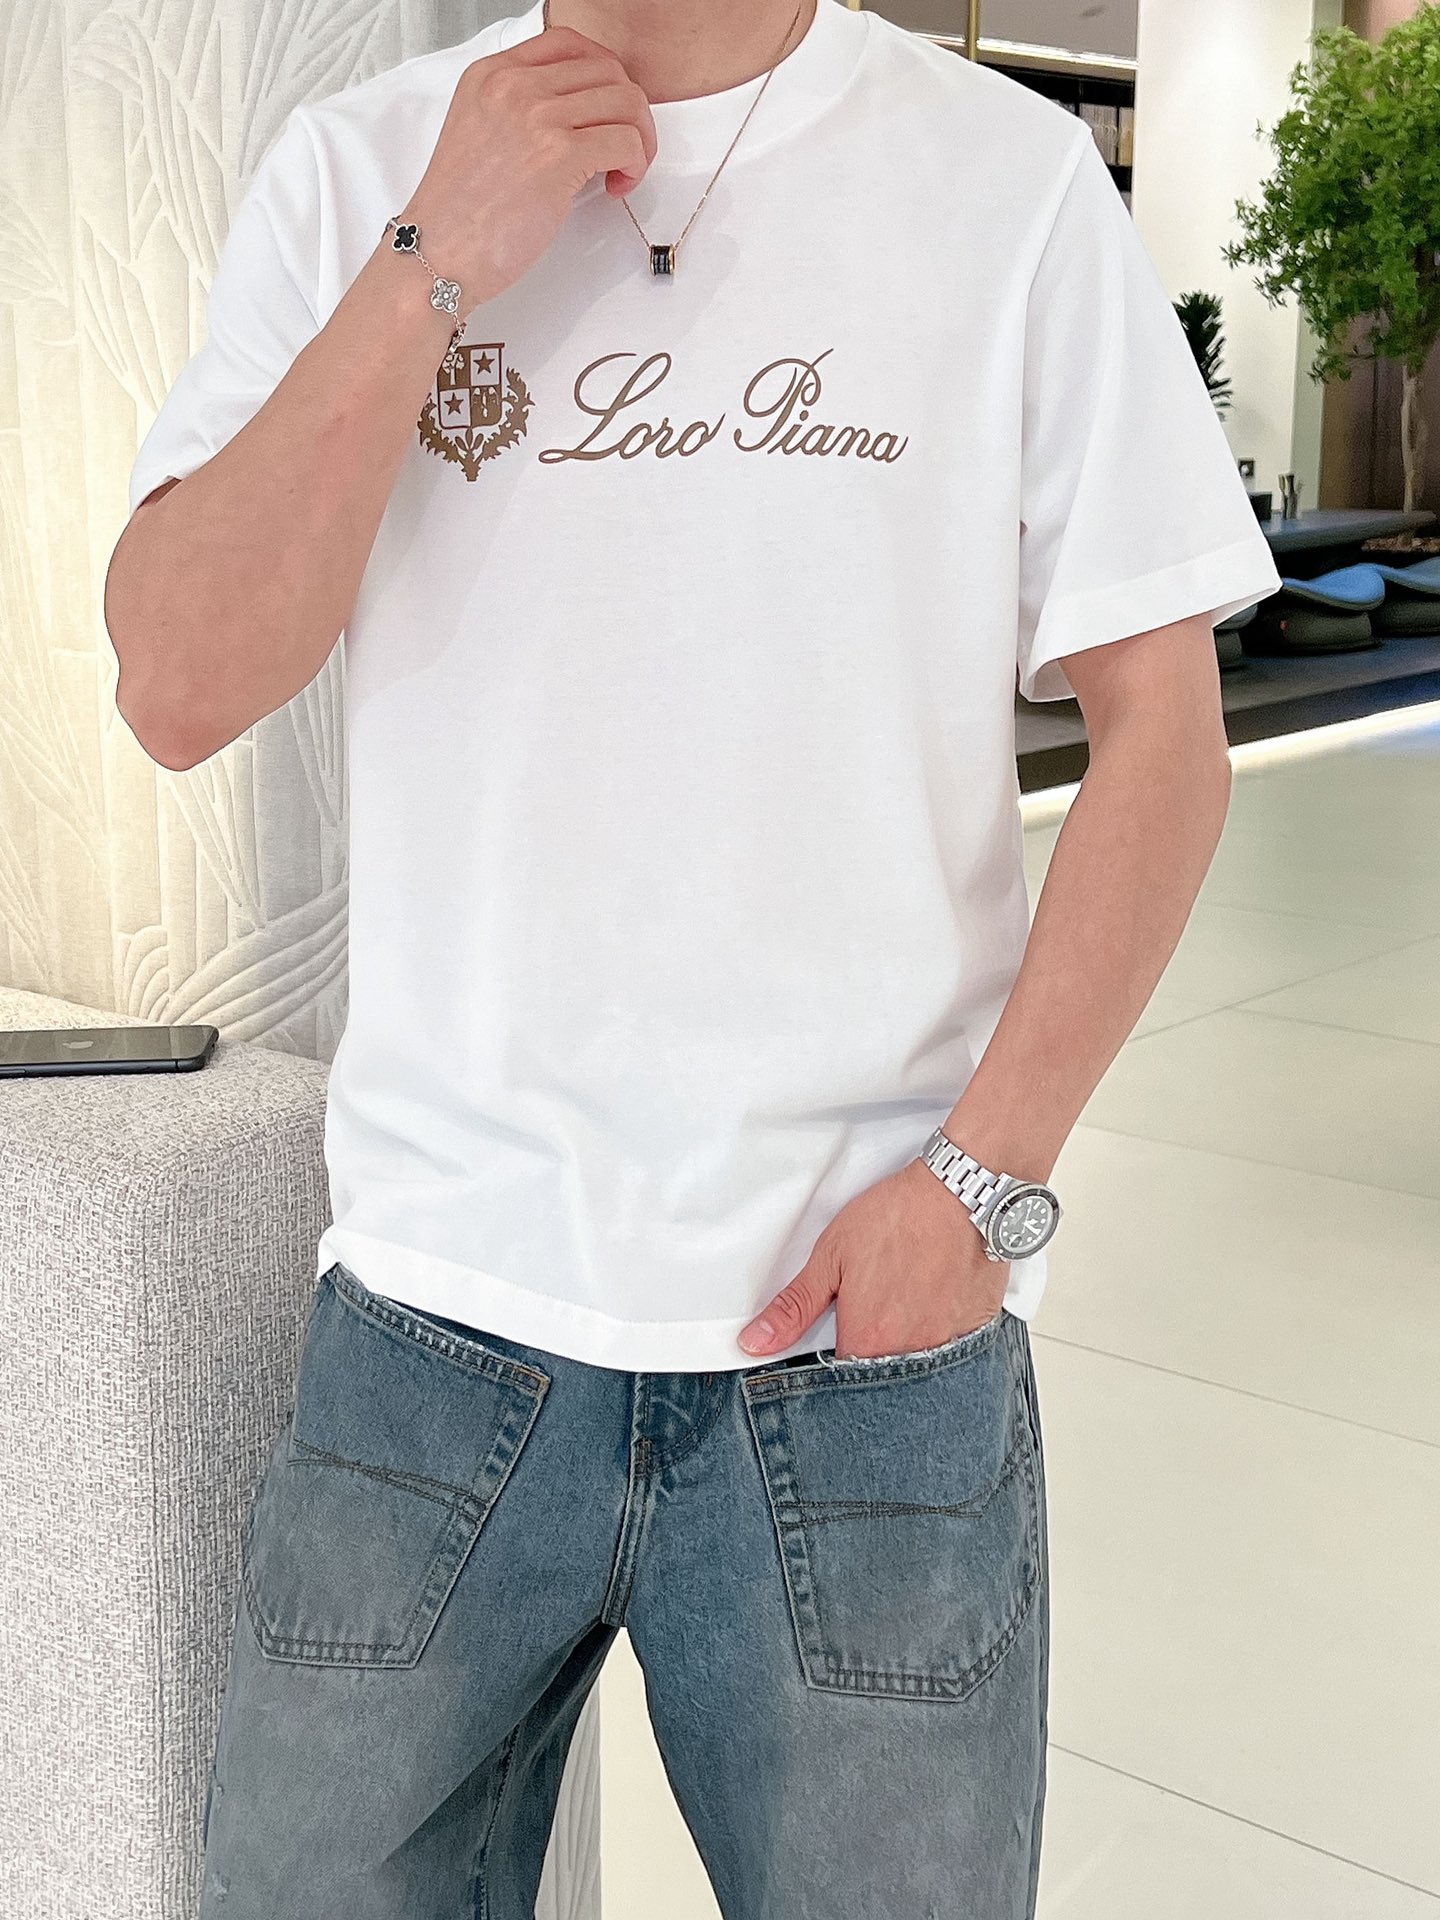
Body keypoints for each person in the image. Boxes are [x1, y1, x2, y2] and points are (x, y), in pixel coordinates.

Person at [103, 0, 1281, 1912]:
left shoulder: (1006, 182)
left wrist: (984, 1182)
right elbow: (176, 681)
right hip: (439, 1307)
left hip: (857, 1346)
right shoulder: (364, 168)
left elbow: (1170, 741)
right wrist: (432, 255)